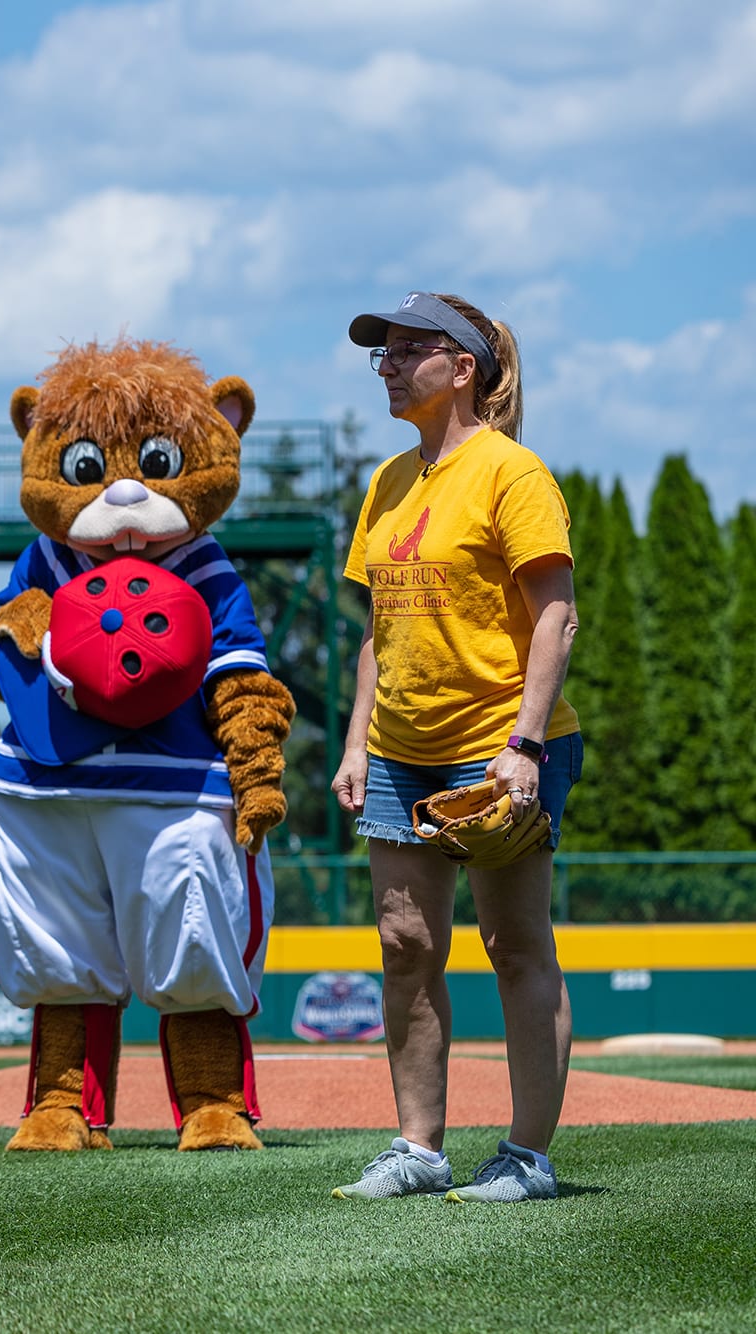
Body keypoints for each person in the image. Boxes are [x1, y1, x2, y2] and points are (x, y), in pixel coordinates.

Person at [329, 292, 583, 1203]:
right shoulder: (388, 481)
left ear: (462, 366)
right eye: (382, 354)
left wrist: (522, 746)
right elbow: (376, 629)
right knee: (406, 943)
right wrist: (357, 744)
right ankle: (417, 1148)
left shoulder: (514, 474)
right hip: (401, 749)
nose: (387, 366)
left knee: (514, 944)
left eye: (405, 351)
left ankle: (526, 1157)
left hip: (499, 746)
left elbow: (555, 617)